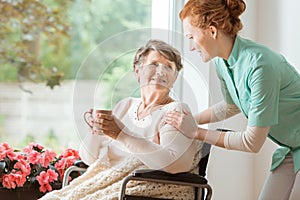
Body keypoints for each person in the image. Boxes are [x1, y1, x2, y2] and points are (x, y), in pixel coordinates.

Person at [164, 0, 300, 199]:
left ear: (212, 31)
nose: (191, 47)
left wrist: (195, 132)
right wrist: (188, 119)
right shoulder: (222, 61)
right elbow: (231, 106)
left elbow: (252, 142)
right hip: (292, 147)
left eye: (191, 37)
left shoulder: (260, 66)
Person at [40, 39, 202, 200]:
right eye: (154, 64)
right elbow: (89, 158)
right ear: (137, 71)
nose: (161, 71)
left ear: (174, 78)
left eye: (169, 67)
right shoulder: (125, 106)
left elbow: (177, 164)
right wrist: (97, 131)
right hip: (105, 185)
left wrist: (122, 135)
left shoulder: (176, 110)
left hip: (136, 192)